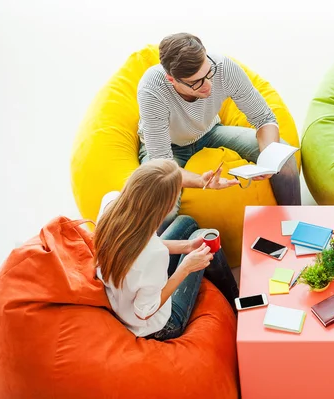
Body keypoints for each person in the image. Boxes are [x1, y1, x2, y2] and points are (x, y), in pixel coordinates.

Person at [137, 32, 301, 229]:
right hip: (167, 150)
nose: (208, 85)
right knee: (160, 205)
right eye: (196, 82)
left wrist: (270, 159)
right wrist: (201, 180)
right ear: (172, 80)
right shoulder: (152, 89)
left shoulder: (222, 67)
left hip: (209, 132)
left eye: (208, 73)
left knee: (283, 156)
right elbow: (162, 163)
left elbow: (264, 118)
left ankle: (294, 226)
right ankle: (171, 256)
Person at [94, 159, 239, 340]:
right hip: (156, 324)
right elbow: (144, 312)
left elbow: (139, 246)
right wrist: (185, 268)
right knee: (204, 238)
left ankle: (236, 301)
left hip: (123, 291)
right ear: (165, 207)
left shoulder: (112, 202)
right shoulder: (154, 255)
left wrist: (187, 246)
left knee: (186, 223)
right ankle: (237, 306)